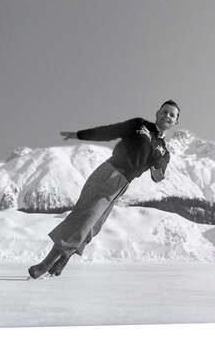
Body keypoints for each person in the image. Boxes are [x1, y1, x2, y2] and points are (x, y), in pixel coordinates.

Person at [28, 100, 180, 279]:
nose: (167, 116)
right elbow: (110, 131)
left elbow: (159, 173)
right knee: (84, 219)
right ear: (157, 113)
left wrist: (158, 174)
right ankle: (46, 264)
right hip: (108, 173)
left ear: (176, 122)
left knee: (94, 225)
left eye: (172, 115)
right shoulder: (139, 125)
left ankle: (64, 258)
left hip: (122, 185)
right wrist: (79, 135)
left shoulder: (164, 151)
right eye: (164, 112)